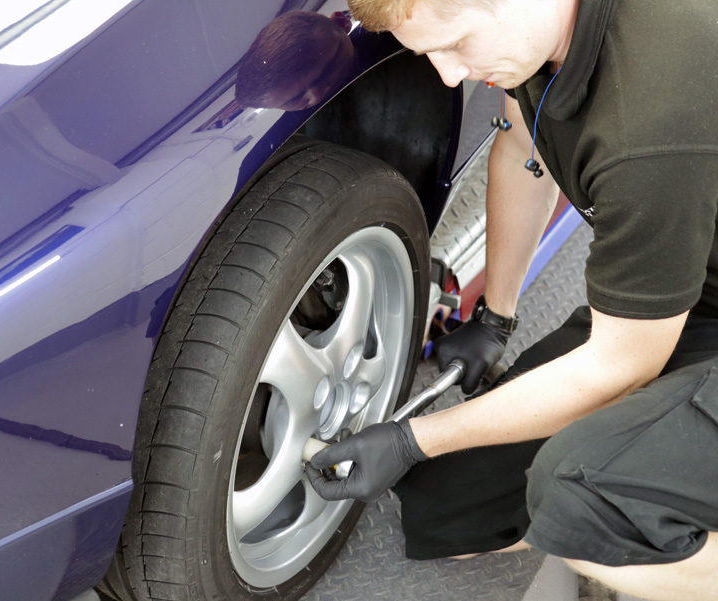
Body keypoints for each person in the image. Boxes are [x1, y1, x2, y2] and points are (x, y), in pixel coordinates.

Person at [304, 1, 718, 599]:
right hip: (690, 291)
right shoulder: (536, 40)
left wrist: (412, 438)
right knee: (450, 507)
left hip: (661, 323)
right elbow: (526, 151)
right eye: (430, 53)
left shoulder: (649, 122)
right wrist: (495, 319)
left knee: (577, 502)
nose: (447, 75)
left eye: (456, 45)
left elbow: (622, 364)